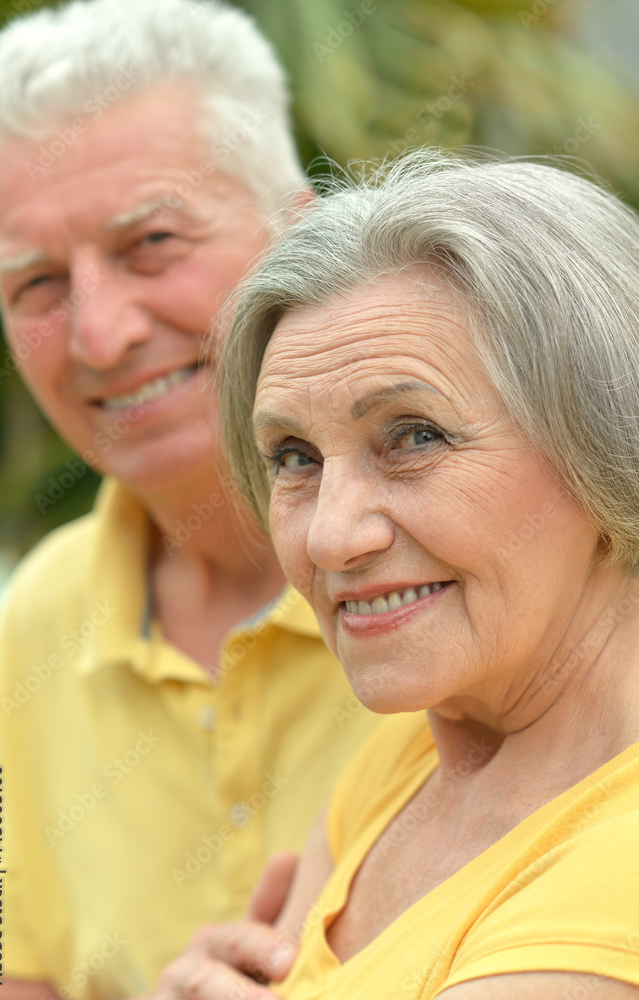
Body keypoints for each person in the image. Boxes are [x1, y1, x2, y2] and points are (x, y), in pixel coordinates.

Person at [0, 2, 378, 998]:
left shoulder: (475, 563)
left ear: (300, 235)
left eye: (152, 241)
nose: (101, 335)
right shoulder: (37, 615)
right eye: (36, 285)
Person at [183, 150, 639, 999]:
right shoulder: (413, 755)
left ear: (608, 442)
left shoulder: (617, 874)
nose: (329, 535)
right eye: (293, 456)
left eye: (415, 436)